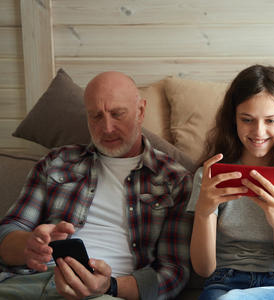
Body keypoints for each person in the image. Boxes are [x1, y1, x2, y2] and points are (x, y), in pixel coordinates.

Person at [0, 71, 192, 299]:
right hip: (26, 283)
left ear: (140, 111)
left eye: (117, 114)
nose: (107, 128)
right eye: (96, 116)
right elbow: (8, 234)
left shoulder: (173, 179)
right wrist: (29, 246)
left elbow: (174, 272)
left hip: (103, 294)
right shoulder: (57, 162)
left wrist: (109, 286)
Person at [187, 64, 274, 299]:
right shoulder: (209, 176)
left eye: (271, 121)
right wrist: (204, 212)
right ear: (233, 120)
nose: (259, 132)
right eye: (247, 119)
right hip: (224, 280)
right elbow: (203, 268)